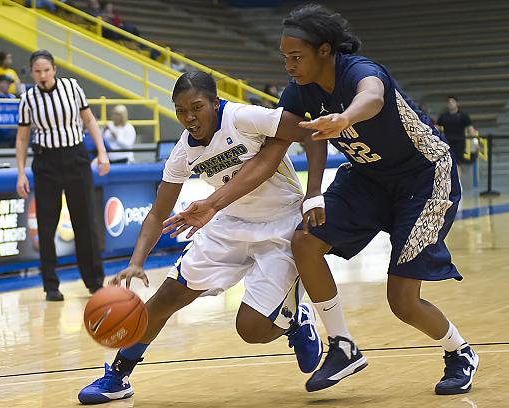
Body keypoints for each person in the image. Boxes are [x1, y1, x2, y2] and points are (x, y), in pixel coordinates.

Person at [165, 4, 478, 396]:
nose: (289, 66)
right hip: (368, 178)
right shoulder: (298, 92)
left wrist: (346, 118)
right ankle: (342, 345)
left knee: (402, 301)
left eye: (296, 57)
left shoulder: (359, 71)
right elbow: (271, 154)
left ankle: (459, 350)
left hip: (425, 177)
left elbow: (374, 97)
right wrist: (305, 194)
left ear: (325, 50)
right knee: (304, 240)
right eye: (284, 58)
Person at [78, 71, 323, 405]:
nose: (189, 117)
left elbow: (312, 134)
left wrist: (313, 195)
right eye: (180, 110)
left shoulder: (243, 117)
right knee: (164, 299)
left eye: (196, 107)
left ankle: (296, 319)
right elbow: (156, 213)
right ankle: (118, 376)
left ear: (215, 102)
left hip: (281, 224)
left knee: (251, 329)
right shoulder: (183, 151)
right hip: (228, 222)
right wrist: (136, 263)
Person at [15, 50, 110, 301]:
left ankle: (95, 282)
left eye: (46, 70)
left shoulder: (72, 87)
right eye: (37, 71)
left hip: (76, 157)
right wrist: (21, 173)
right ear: (32, 73)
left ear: (54, 69)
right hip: (46, 162)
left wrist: (102, 152)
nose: (42, 75)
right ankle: (51, 286)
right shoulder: (27, 99)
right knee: (46, 226)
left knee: (85, 222)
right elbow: (23, 137)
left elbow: (89, 120)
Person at [436, 96, 476, 165]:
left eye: (452, 102)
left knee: (457, 163)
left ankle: (458, 175)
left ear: (457, 103)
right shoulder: (443, 116)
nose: (451, 104)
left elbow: (471, 129)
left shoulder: (463, 116)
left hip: (459, 143)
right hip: (447, 143)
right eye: (449, 102)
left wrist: (475, 141)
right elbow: (436, 127)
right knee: (448, 163)